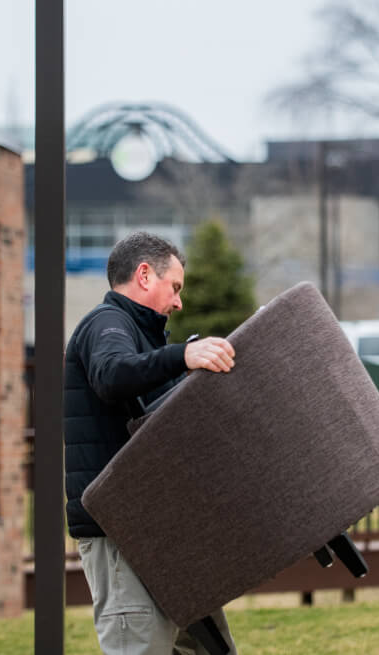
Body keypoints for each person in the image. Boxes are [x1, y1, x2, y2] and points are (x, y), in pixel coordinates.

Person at [64, 231, 239, 654]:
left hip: (156, 527)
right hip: (120, 531)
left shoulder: (139, 334)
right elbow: (112, 374)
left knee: (207, 647)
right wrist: (182, 356)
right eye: (174, 287)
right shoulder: (107, 325)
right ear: (144, 275)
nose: (178, 302)